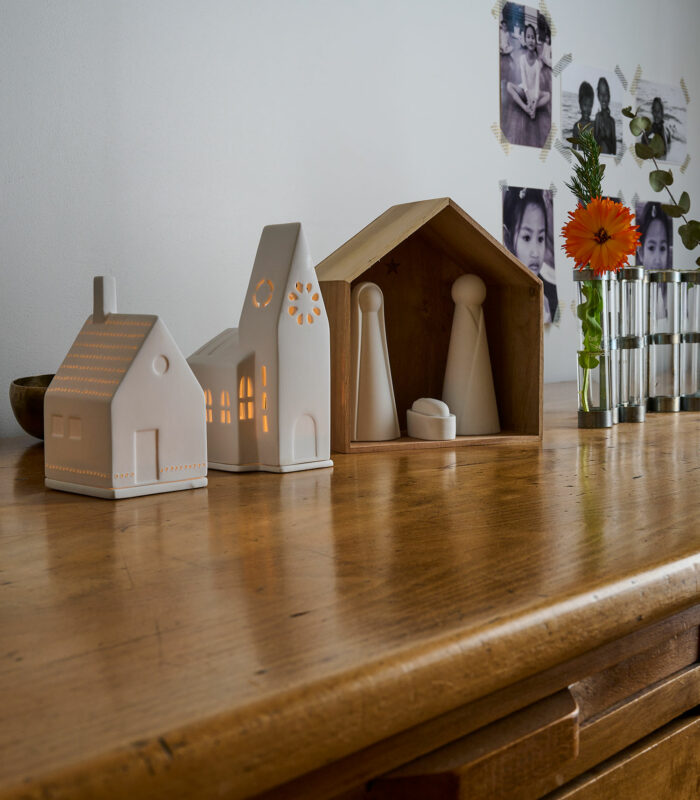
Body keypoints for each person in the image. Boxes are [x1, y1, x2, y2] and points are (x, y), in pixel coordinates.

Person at [503, 187, 558, 324]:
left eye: (540, 238)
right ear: (508, 238)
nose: (536, 252)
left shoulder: (550, 297)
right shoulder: (503, 293)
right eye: (526, 237)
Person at [506, 25, 550, 122]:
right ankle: (525, 108)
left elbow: (537, 84)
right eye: (528, 37)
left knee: (548, 95)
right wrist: (528, 98)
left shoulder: (538, 63)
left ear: (535, 40)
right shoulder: (522, 59)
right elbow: (524, 80)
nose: (531, 40)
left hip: (534, 93)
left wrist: (534, 102)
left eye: (533, 38)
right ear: (525, 40)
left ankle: (533, 108)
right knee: (509, 86)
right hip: (524, 91)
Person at [636, 202, 672, 318]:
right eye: (651, 247)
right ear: (641, 253)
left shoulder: (673, 301)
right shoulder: (633, 301)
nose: (658, 259)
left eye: (662, 248)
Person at [594, 77, 616, 155]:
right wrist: (601, 136)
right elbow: (594, 145)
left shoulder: (612, 121)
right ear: (598, 96)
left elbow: (614, 150)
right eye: (601, 94)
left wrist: (606, 138)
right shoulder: (597, 117)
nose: (603, 97)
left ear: (609, 96)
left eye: (605, 93)